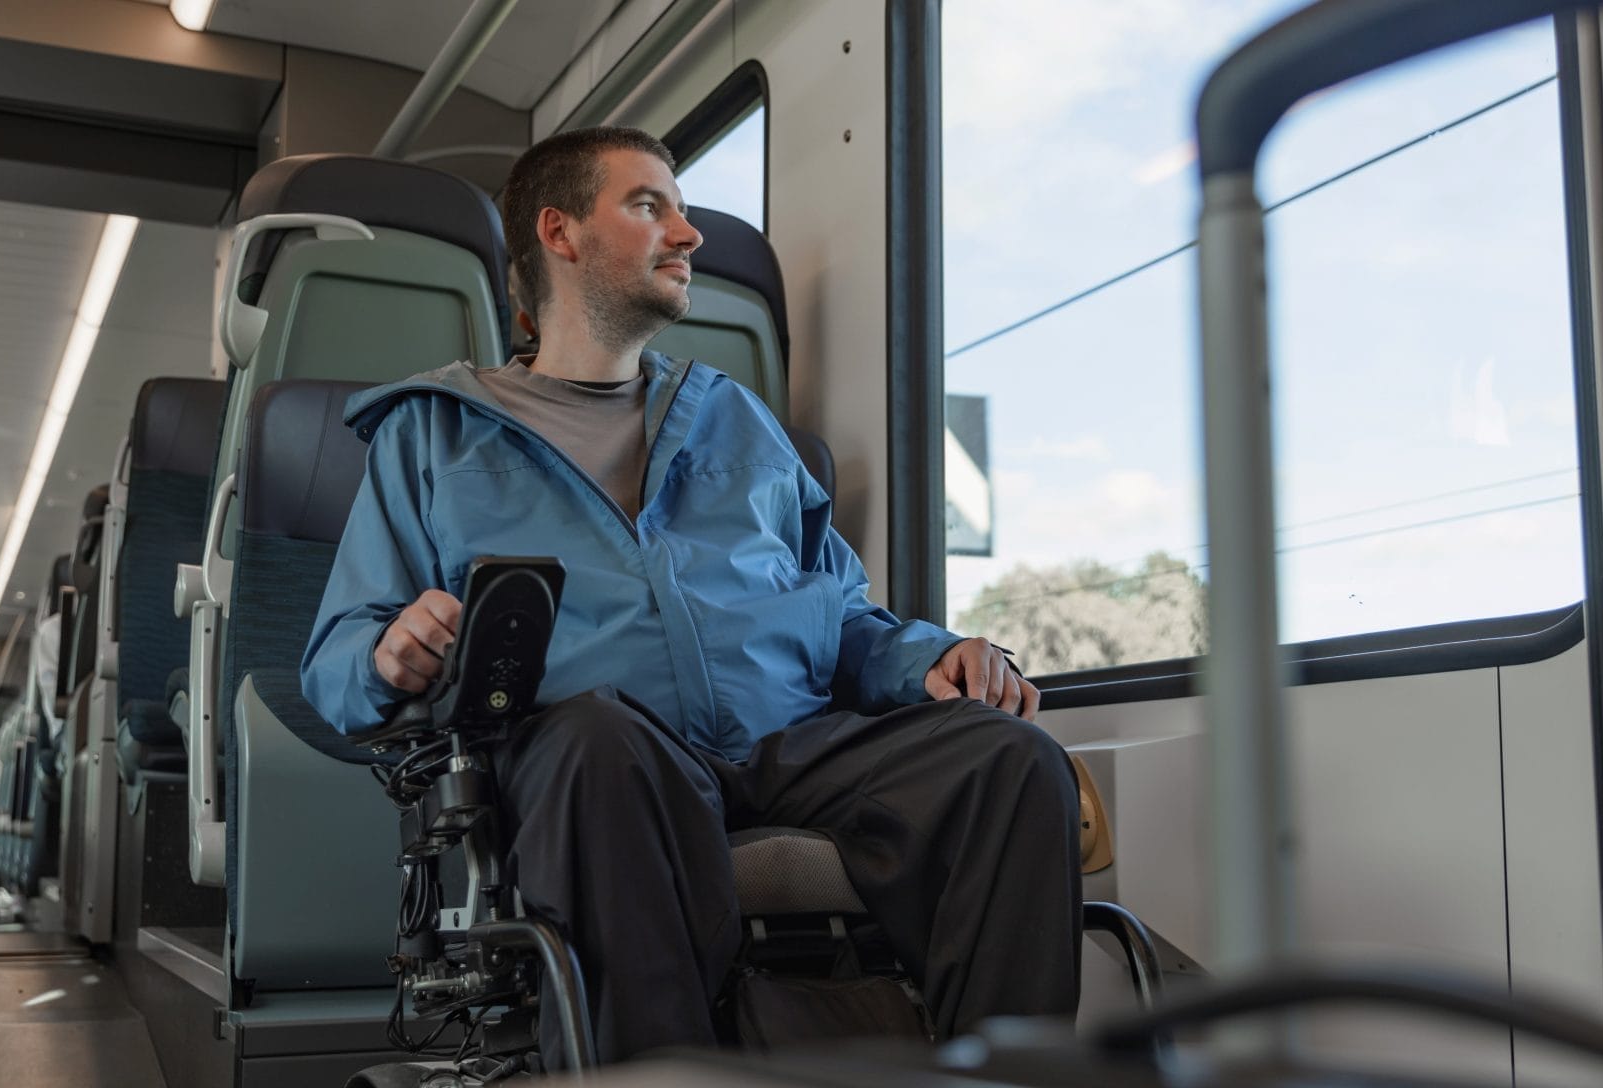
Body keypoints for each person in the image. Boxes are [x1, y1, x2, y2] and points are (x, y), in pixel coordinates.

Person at [302, 126, 1081, 1068]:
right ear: (559, 231)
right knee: (597, 740)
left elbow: (839, 611)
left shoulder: (733, 415)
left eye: (681, 207)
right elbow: (335, 660)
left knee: (1010, 760)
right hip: (603, 760)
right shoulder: (434, 432)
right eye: (649, 206)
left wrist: (931, 657)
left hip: (786, 746)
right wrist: (389, 652)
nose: (688, 233)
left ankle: (1004, 1073)